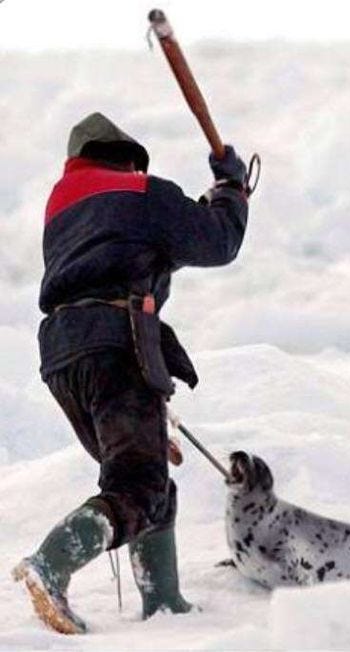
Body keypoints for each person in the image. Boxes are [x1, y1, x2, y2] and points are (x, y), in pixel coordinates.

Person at [12, 112, 249, 634]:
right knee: (138, 485)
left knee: (147, 482)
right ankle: (51, 565)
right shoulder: (142, 195)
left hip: (62, 355)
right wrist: (231, 188)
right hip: (115, 344)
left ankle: (163, 604)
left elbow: (144, 248)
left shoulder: (63, 211)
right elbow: (215, 241)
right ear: (128, 158)